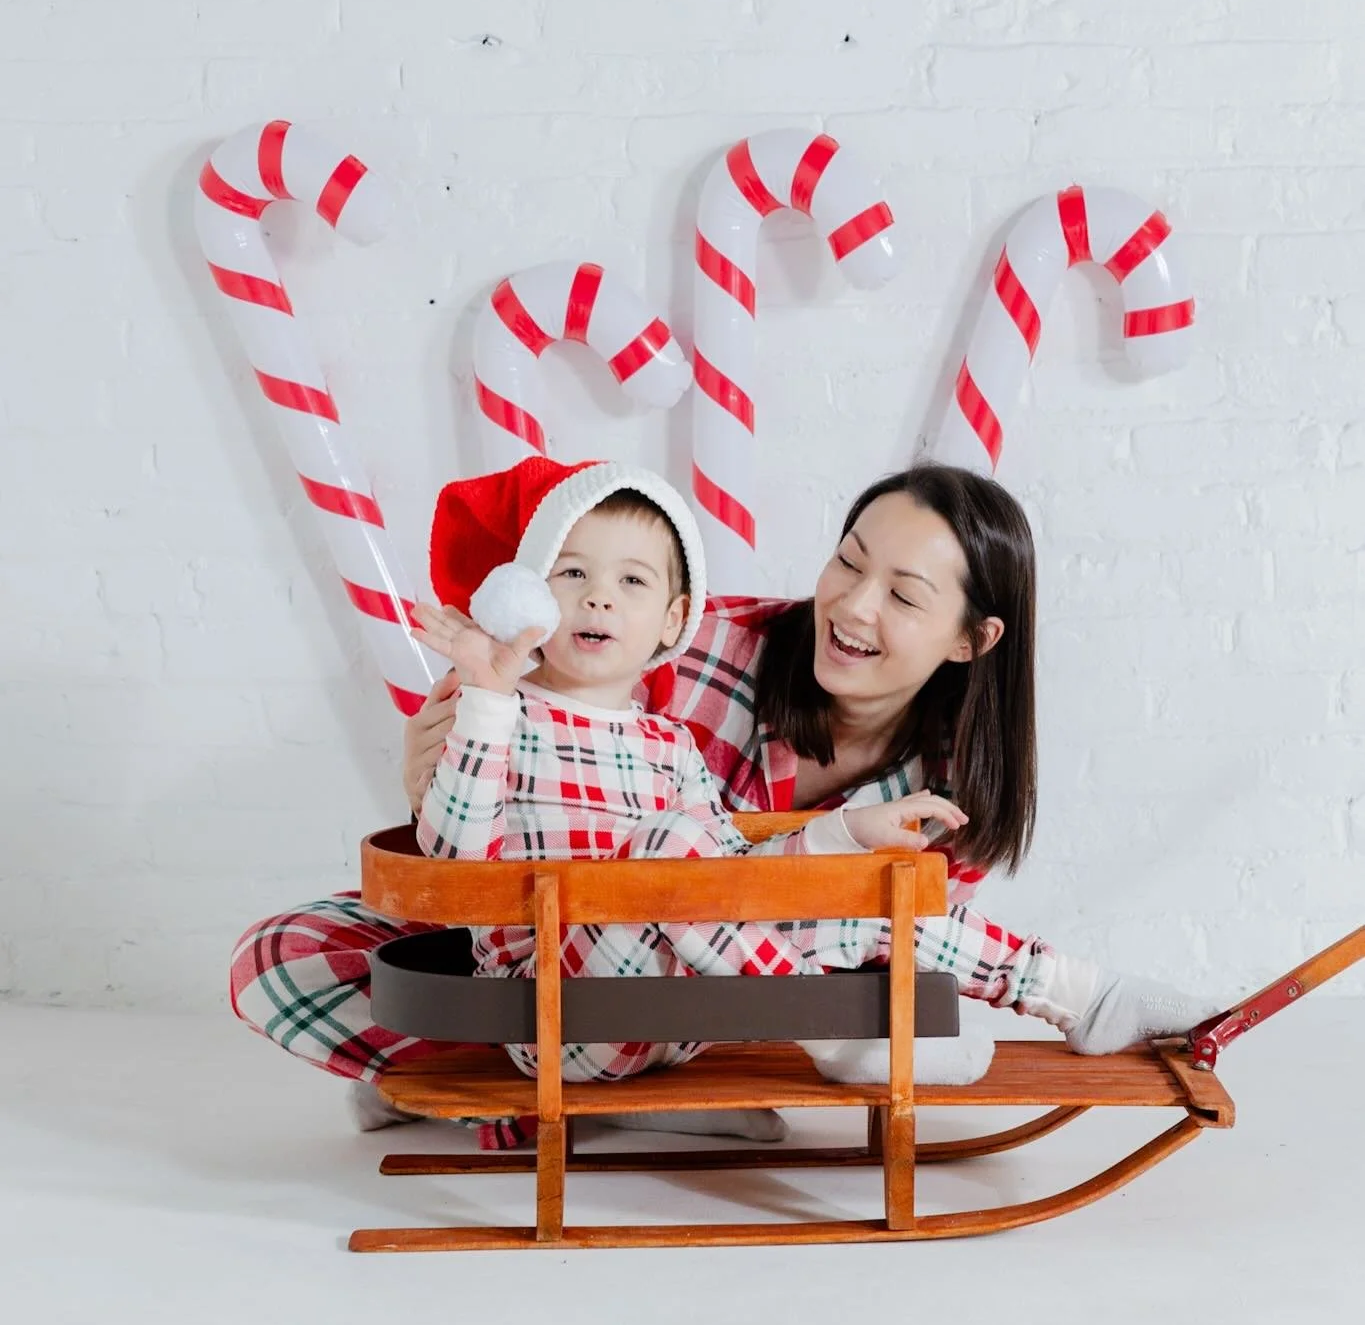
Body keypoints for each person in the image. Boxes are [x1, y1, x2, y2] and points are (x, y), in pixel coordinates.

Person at [231, 460, 1209, 1139]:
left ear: (971, 638)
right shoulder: (673, 653)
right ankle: (609, 1089)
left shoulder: (945, 788)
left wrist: (839, 839)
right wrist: (467, 719)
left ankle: (1075, 991)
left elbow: (816, 899)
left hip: (718, 998)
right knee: (287, 950)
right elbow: (480, 825)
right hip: (556, 970)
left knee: (853, 882)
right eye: (848, 559)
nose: (854, 603)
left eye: (904, 593)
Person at [408, 456, 972, 1126]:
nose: (599, 598)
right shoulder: (505, 715)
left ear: (673, 620)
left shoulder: (668, 742)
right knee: (670, 844)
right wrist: (483, 708)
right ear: (527, 595)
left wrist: (840, 832)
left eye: (630, 580)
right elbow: (455, 869)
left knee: (799, 883)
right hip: (548, 1012)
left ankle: (1056, 987)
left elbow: (736, 875)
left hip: (681, 1015)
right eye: (571, 574)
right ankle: (828, 1030)